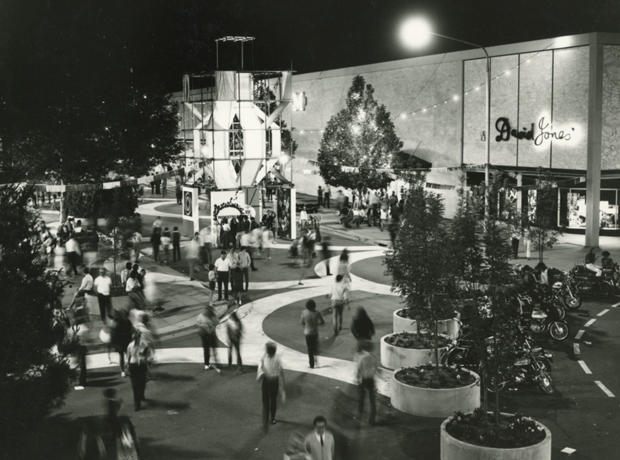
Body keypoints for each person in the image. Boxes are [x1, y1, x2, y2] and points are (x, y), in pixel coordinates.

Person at [257, 341, 285, 429]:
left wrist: (282, 387)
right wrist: (260, 374)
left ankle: (272, 417)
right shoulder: (264, 357)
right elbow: (260, 366)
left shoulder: (277, 359)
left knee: (273, 401)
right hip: (266, 381)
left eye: (267, 349)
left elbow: (281, 372)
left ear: (270, 351)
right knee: (265, 401)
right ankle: (265, 418)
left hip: (274, 382)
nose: (265, 351)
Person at [127, 331, 153, 411]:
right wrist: (127, 366)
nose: (135, 340)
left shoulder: (144, 345)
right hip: (134, 365)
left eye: (137, 338)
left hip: (142, 365)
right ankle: (137, 404)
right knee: (135, 386)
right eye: (134, 339)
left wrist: (147, 360)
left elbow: (148, 354)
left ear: (139, 337)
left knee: (142, 383)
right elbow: (128, 356)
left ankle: (141, 394)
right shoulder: (130, 346)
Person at [354, 340, 378, 425]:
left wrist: (357, 378)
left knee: (362, 395)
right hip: (371, 379)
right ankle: (372, 419)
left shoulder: (361, 358)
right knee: (372, 400)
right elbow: (375, 368)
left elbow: (359, 369)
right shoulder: (373, 357)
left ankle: (360, 410)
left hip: (363, 379)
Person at [300, 299, 325, 369]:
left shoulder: (304, 313)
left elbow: (301, 322)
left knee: (309, 348)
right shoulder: (317, 313)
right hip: (315, 332)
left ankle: (311, 363)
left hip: (307, 333)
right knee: (315, 346)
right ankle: (315, 358)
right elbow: (322, 322)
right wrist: (316, 324)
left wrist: (307, 325)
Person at [109, 309, 133, 377]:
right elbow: (113, 335)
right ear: (122, 316)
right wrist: (115, 344)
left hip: (127, 341)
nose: (126, 318)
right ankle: (122, 370)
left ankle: (127, 367)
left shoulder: (128, 322)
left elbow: (130, 331)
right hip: (119, 342)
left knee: (129, 355)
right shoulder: (116, 323)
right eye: (125, 316)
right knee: (121, 356)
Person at [196, 306, 220, 372]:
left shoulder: (212, 316)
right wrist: (204, 326)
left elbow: (218, 322)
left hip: (211, 335)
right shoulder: (201, 316)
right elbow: (197, 323)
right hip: (206, 335)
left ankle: (213, 363)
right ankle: (207, 364)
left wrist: (212, 324)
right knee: (207, 350)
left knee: (212, 349)